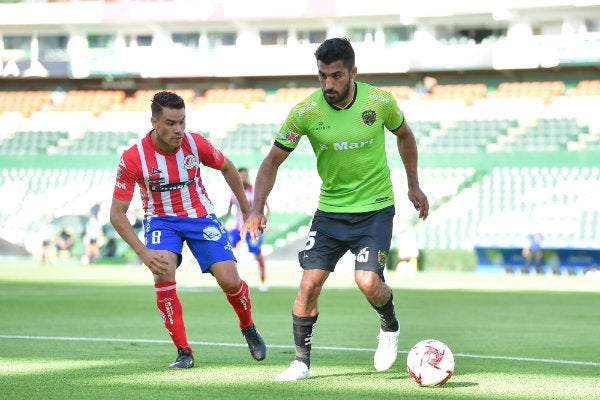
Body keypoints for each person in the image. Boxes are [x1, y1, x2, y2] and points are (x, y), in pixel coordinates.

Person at [241, 37, 429, 381]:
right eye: (322, 76)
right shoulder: (304, 112)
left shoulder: (380, 101)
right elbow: (271, 162)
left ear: (353, 72)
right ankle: (301, 362)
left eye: (336, 76)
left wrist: (413, 185)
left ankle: (389, 327)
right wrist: (255, 208)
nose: (328, 84)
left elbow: (405, 136)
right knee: (308, 286)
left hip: (375, 208)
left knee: (369, 282)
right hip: (330, 212)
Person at [109, 91, 266, 370]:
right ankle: (184, 351)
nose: (178, 129)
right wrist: (143, 252)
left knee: (229, 280)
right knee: (162, 271)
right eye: (171, 123)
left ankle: (248, 326)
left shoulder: (196, 144)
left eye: (182, 121)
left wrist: (246, 210)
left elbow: (228, 167)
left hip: (200, 216)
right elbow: (117, 213)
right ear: (154, 122)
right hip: (161, 221)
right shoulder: (134, 157)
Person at [222, 167, 270, 291]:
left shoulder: (254, 191)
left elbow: (267, 208)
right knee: (224, 249)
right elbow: (229, 210)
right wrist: (223, 222)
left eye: (245, 175)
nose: (243, 177)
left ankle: (263, 282)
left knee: (258, 255)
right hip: (238, 228)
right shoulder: (234, 192)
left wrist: (263, 221)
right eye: (240, 175)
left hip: (253, 228)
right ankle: (227, 279)